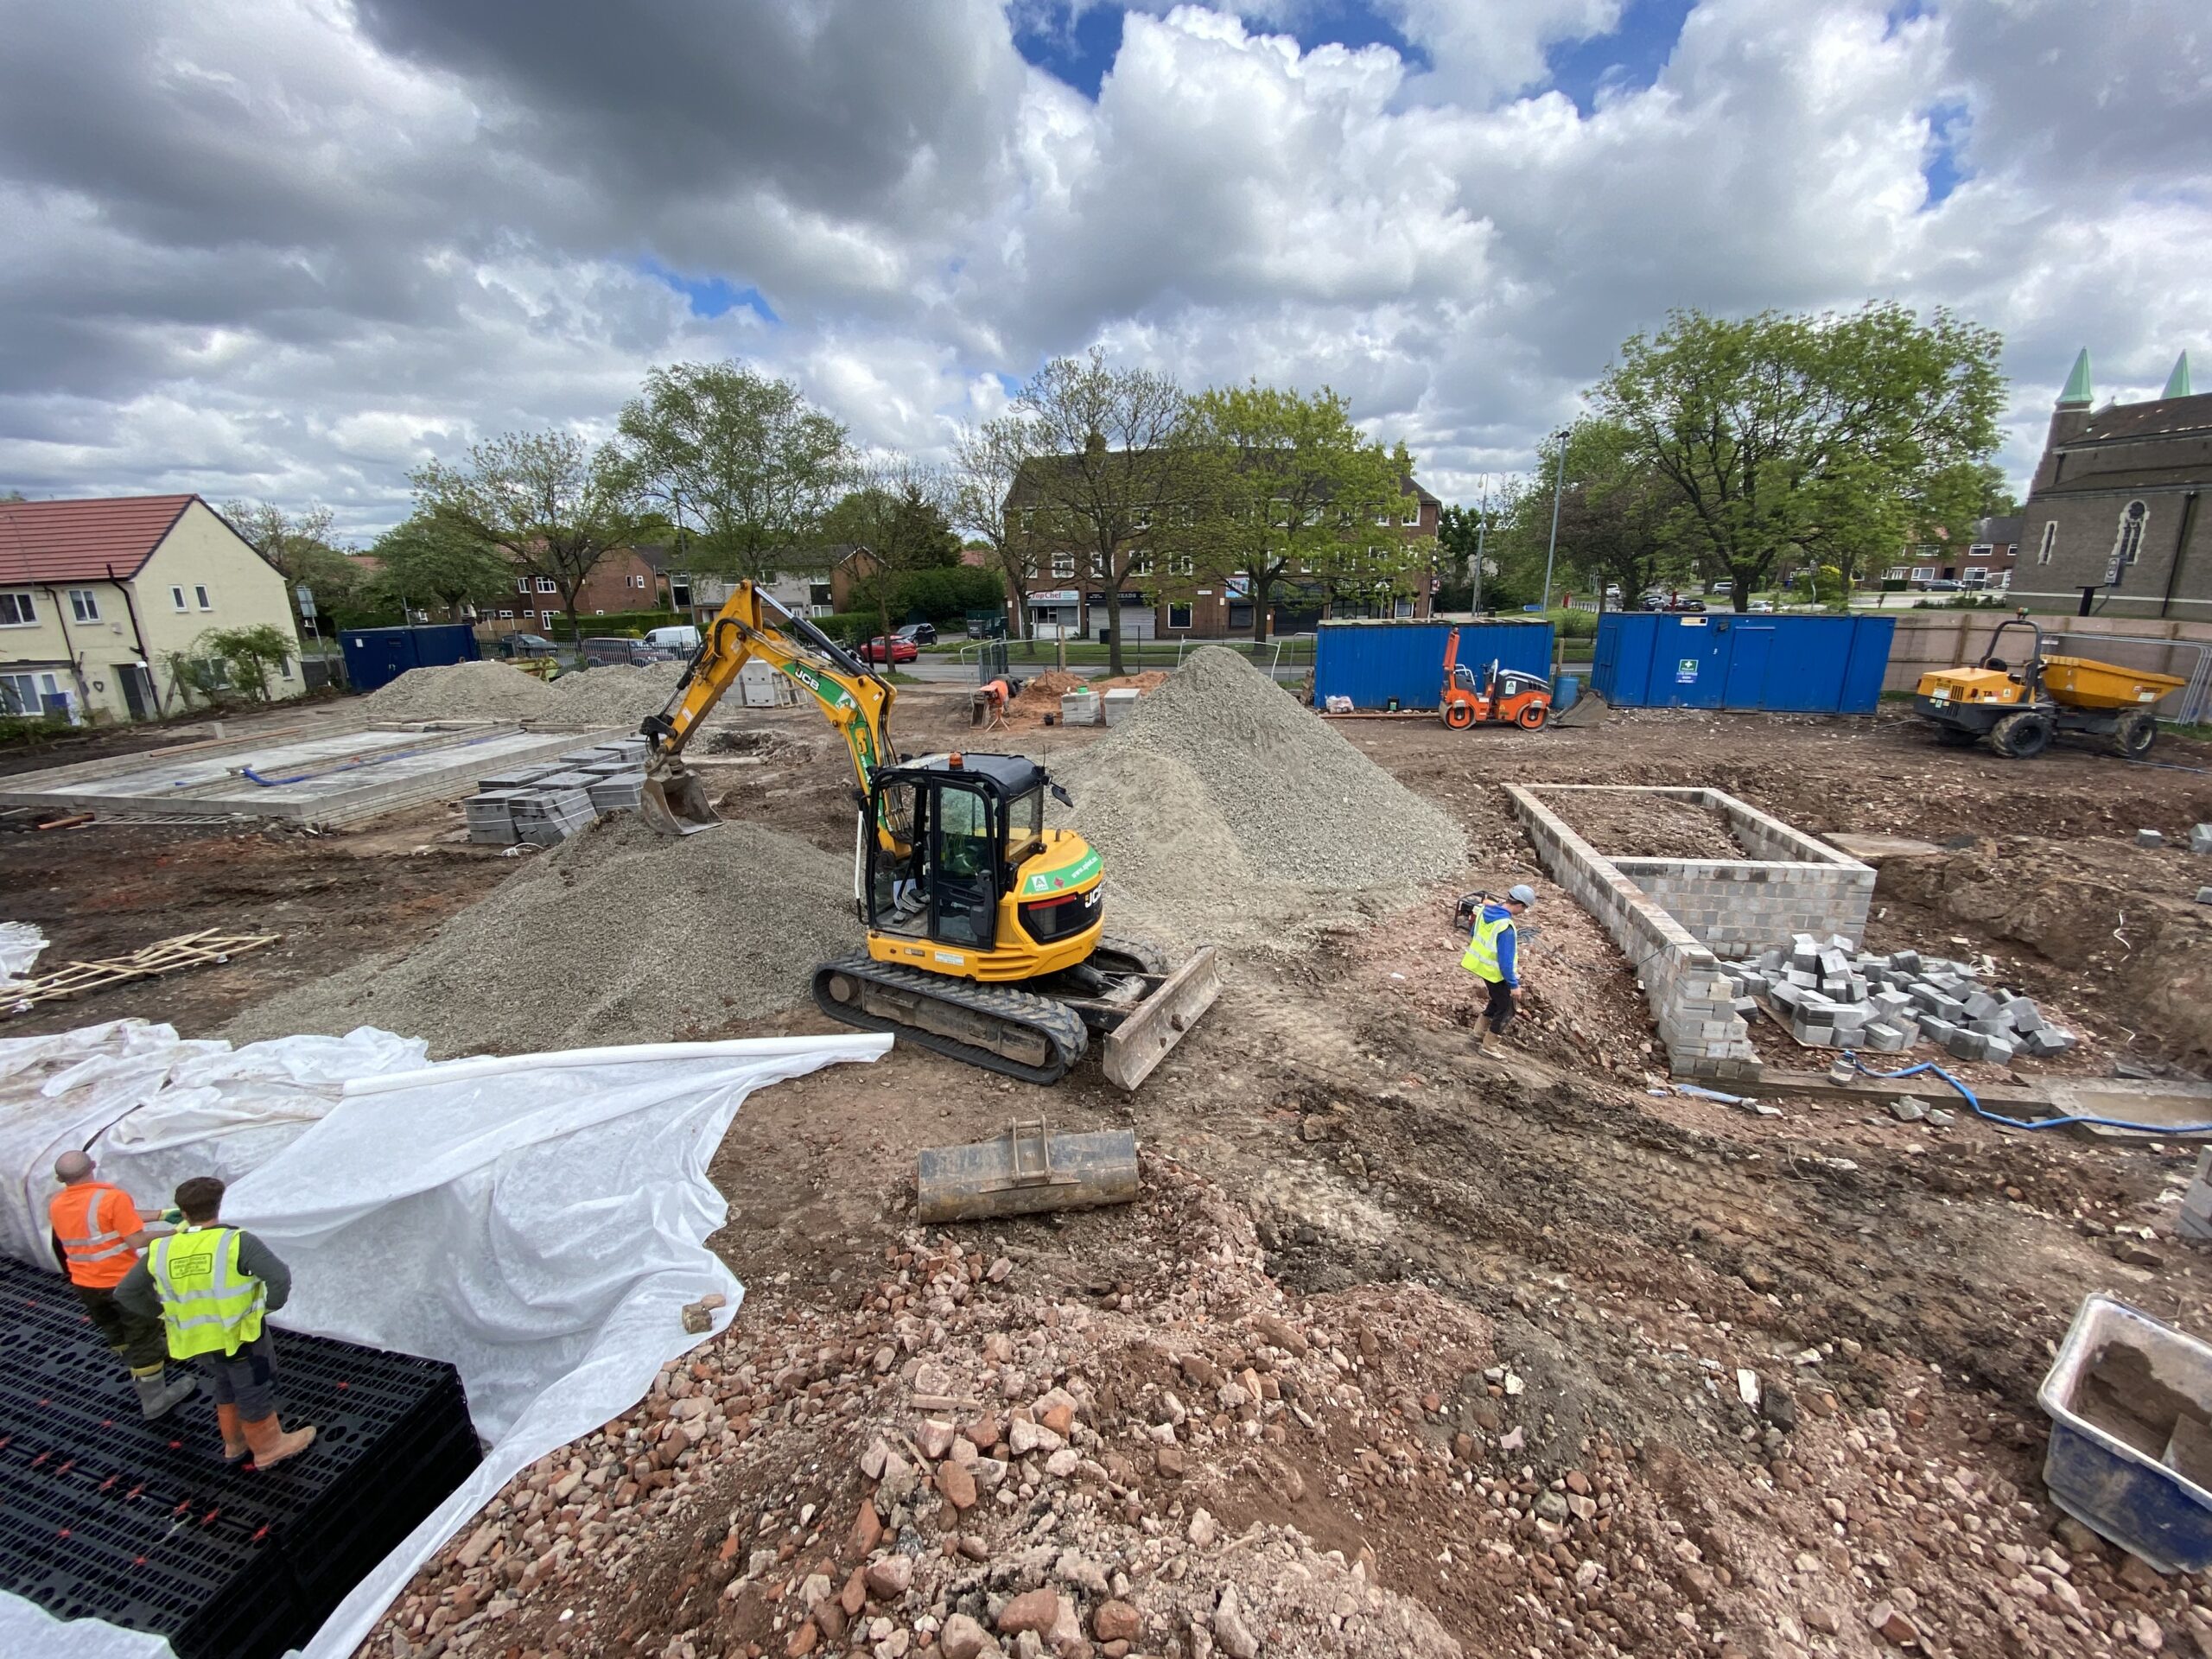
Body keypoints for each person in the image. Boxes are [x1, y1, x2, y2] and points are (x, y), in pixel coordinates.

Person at [115, 1176, 317, 1470]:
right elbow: (278, 1276)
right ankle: (268, 1447)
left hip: (196, 1337)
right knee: (253, 1387)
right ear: (218, 1207)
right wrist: (269, 1305)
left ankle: (234, 1444)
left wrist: (161, 1314)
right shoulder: (236, 1242)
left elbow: (127, 1292)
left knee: (224, 1382)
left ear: (183, 1213)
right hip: (239, 1333)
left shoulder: (162, 1248)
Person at [48, 1150, 197, 1419]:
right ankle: (154, 1398)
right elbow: (136, 1240)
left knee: (114, 1328)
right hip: (123, 1284)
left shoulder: (57, 1204)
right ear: (93, 1166)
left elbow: (115, 1218)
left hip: (84, 1283)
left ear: (60, 1178)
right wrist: (173, 1232)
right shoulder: (111, 1198)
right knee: (144, 1335)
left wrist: (161, 1214)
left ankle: (139, 1366)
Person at [1461, 883, 1535, 1052]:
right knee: (1507, 1008)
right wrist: (1514, 985)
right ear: (1519, 905)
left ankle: (1477, 1034)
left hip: (1482, 967)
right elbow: (1506, 962)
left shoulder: (1484, 912)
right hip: (1497, 973)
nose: (1523, 912)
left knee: (1497, 1001)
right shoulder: (1505, 928)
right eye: (1524, 909)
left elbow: (1473, 934)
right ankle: (1489, 1047)